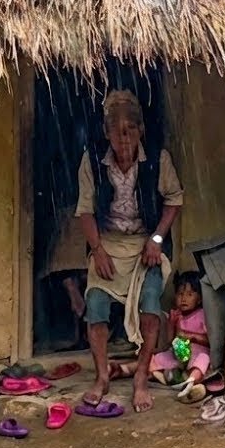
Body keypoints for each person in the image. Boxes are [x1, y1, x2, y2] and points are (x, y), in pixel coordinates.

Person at [76, 90, 184, 412]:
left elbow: (174, 199)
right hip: (107, 243)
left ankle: (140, 378)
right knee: (95, 303)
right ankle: (101, 378)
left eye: (131, 131)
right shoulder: (92, 161)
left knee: (150, 304)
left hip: (145, 244)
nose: (124, 139)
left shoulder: (157, 159)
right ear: (106, 133)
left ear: (140, 131)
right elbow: (85, 211)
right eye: (117, 132)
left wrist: (157, 239)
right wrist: (97, 250)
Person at [150, 271, 210, 401]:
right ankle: (174, 377)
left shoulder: (202, 315)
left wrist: (191, 336)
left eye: (190, 294)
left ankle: (190, 381)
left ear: (199, 299)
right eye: (180, 294)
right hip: (180, 357)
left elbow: (210, 341)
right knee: (158, 358)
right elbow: (170, 341)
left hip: (197, 355)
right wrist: (171, 323)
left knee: (204, 359)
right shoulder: (178, 317)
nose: (184, 298)